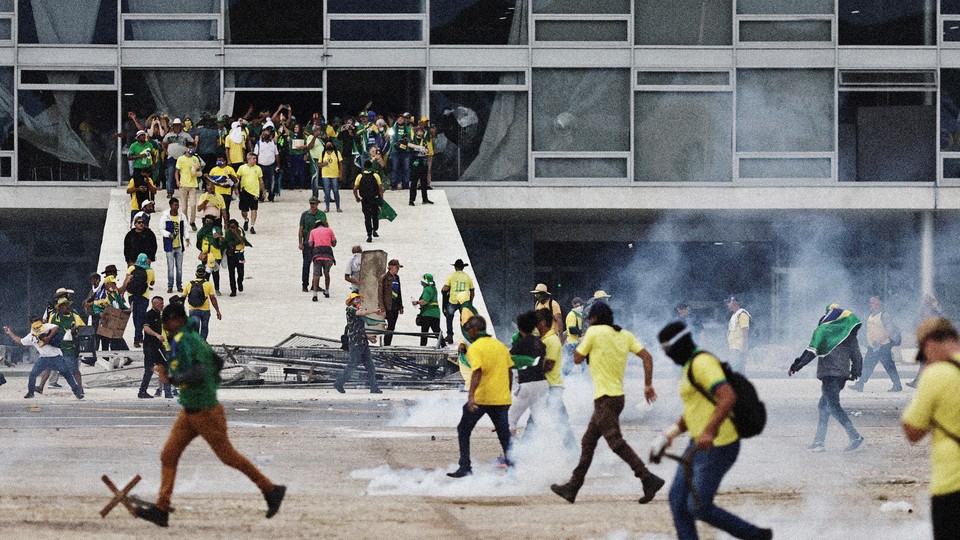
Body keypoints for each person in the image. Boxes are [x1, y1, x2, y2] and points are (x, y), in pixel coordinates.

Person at [134, 303, 285, 527]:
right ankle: (162, 509)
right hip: (190, 410)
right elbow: (216, 361)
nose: (166, 328)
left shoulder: (188, 340)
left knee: (228, 456)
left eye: (166, 323)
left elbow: (199, 371)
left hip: (205, 410)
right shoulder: (191, 339)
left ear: (175, 320)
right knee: (168, 454)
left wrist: (172, 379)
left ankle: (271, 490)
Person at [653, 321, 772, 540]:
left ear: (677, 346)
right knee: (678, 502)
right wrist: (667, 436)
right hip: (698, 444)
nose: (667, 356)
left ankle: (756, 536)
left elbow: (727, 396)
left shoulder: (702, 363)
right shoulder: (688, 367)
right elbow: (694, 411)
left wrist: (709, 431)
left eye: (667, 351)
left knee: (698, 506)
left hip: (719, 445)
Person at [550, 303, 664, 505]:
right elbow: (647, 357)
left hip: (605, 398)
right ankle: (573, 486)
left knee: (615, 441)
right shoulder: (624, 334)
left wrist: (588, 348)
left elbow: (577, 358)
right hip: (617, 397)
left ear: (594, 318)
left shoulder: (593, 332)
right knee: (588, 441)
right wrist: (648, 385)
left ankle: (647, 478)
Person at [902, 317, 960, 540]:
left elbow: (912, 431)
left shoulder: (936, 375)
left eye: (924, 355)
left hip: (952, 487)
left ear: (930, 345)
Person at [788, 304, 865, 453]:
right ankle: (819, 441)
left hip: (830, 374)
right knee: (823, 406)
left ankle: (855, 437)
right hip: (842, 375)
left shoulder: (824, 331)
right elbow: (857, 355)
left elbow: (810, 352)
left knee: (833, 406)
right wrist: (856, 371)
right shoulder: (848, 333)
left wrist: (796, 366)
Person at [447, 315, 514, 478]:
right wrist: (508, 392)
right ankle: (514, 469)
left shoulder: (476, 347)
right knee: (504, 435)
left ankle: (465, 467)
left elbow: (477, 371)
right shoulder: (500, 346)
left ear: (476, 329)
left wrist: (471, 397)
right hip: (501, 399)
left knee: (463, 429)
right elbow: (510, 371)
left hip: (483, 398)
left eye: (469, 328)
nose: (468, 331)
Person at [4, 316, 83, 399]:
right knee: (33, 374)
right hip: (44, 358)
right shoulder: (31, 335)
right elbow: (19, 341)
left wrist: (48, 337)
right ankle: (31, 392)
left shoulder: (46, 326)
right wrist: (9, 333)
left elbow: (56, 327)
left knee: (67, 374)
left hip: (56, 357)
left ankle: (77, 392)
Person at [538, 307, 578, 451]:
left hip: (552, 388)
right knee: (542, 421)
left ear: (543, 323)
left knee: (552, 421)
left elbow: (549, 365)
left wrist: (531, 370)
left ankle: (515, 457)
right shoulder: (546, 339)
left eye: (537, 322)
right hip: (549, 387)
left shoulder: (551, 340)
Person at [334, 292, 382, 394]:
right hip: (355, 344)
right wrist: (374, 311)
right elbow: (362, 313)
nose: (358, 301)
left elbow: (360, 329)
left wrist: (368, 338)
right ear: (351, 301)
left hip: (363, 343)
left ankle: (374, 387)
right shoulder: (350, 309)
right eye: (356, 299)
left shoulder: (358, 311)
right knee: (352, 365)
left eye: (359, 299)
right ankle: (339, 382)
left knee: (370, 366)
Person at [508, 311, 548, 436]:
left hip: (528, 385)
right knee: (540, 420)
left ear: (519, 328)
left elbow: (509, 361)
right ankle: (546, 449)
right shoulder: (540, 342)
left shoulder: (520, 344)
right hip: (543, 384)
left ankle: (511, 452)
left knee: (511, 420)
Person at [852, 295, 902, 392]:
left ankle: (897, 385)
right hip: (873, 346)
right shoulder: (871, 314)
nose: (871, 304)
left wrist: (879, 341)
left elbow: (889, 330)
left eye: (873, 302)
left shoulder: (884, 315)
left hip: (883, 346)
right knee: (867, 365)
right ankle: (860, 384)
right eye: (870, 302)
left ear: (878, 303)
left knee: (888, 365)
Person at [123, 253, 156, 348]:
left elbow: (126, 280)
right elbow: (152, 283)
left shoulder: (131, 268)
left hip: (132, 295)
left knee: (135, 316)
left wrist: (122, 293)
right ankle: (137, 337)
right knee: (141, 317)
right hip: (144, 296)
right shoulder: (150, 270)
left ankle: (138, 336)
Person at [182, 266, 222, 340]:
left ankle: (196, 344)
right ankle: (203, 343)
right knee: (204, 327)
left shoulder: (189, 284)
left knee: (194, 329)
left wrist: (181, 311)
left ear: (195, 274)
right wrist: (218, 311)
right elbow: (213, 299)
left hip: (193, 309)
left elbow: (183, 298)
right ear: (204, 274)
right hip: (205, 310)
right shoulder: (208, 284)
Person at [159, 197, 189, 293]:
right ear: (170, 205)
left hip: (179, 245)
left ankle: (179, 285)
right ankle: (170, 285)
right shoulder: (165, 217)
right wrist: (168, 234)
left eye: (177, 205)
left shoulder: (181, 216)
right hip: (169, 246)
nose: (177, 207)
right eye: (175, 205)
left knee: (179, 268)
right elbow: (161, 229)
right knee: (170, 268)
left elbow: (185, 227)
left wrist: (187, 237)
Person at [442, 259, 474, 345]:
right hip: (464, 301)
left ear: (455, 267)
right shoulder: (467, 277)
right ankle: (466, 337)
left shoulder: (451, 276)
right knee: (464, 319)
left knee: (449, 317)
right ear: (463, 267)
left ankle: (449, 335)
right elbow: (472, 292)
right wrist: (470, 303)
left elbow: (445, 288)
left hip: (453, 300)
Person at [299, 197, 327, 292]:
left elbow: (325, 227)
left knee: (318, 265)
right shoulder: (305, 215)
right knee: (306, 264)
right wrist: (300, 242)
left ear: (317, 204)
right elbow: (301, 229)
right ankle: (304, 284)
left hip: (318, 244)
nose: (312, 205)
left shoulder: (322, 214)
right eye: (311, 203)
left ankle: (315, 285)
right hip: (307, 243)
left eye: (314, 203)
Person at [139, 296, 165, 398]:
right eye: (160, 304)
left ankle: (166, 391)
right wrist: (157, 335)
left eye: (162, 303)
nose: (162, 305)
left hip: (158, 347)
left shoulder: (161, 315)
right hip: (149, 346)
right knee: (149, 370)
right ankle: (142, 391)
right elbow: (146, 328)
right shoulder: (148, 315)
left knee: (164, 366)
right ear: (154, 304)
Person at [163, 117, 194, 201]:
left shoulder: (186, 135)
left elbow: (192, 143)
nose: (176, 127)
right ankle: (170, 192)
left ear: (181, 126)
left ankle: (185, 190)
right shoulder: (168, 135)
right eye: (175, 126)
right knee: (170, 173)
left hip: (183, 158)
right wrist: (166, 151)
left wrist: (189, 152)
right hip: (171, 157)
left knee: (184, 174)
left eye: (178, 126)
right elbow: (164, 143)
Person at [175, 141, 204, 230]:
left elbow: (199, 170)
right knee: (184, 206)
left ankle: (192, 221)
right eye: (189, 147)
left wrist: (197, 173)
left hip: (193, 184)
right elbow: (177, 171)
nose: (191, 149)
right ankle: (185, 222)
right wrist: (177, 181)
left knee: (193, 205)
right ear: (186, 148)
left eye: (192, 147)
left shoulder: (195, 158)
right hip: (183, 184)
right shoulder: (181, 159)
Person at [353, 160, 384, 243]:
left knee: (367, 217)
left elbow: (355, 188)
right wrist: (381, 198)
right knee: (375, 215)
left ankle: (369, 235)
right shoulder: (375, 175)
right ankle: (375, 229)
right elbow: (380, 188)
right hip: (374, 198)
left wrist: (357, 197)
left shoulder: (360, 176)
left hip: (365, 199)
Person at [308, 219, 337, 301]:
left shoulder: (313, 231)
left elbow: (310, 244)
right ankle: (327, 291)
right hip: (328, 255)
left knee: (316, 275)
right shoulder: (329, 230)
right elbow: (334, 243)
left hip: (317, 255)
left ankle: (315, 294)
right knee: (327, 273)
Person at [236, 152, 265, 235]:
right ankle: (246, 219)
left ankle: (252, 226)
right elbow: (237, 179)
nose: (255, 160)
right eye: (253, 158)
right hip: (245, 191)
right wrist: (236, 190)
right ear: (248, 159)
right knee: (243, 210)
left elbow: (261, 180)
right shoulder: (242, 168)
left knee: (254, 209)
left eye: (255, 158)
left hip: (254, 192)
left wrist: (263, 191)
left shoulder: (258, 168)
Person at [377, 259, 404, 346]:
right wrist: (382, 308)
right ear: (391, 267)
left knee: (392, 327)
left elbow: (399, 292)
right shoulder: (384, 278)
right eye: (397, 267)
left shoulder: (397, 277)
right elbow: (380, 294)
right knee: (388, 327)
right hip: (387, 306)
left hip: (395, 305)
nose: (398, 269)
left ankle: (388, 344)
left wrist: (401, 306)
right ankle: (385, 344)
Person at [224, 219, 251, 297]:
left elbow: (242, 240)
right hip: (231, 254)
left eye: (233, 226)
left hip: (240, 253)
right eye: (230, 226)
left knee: (241, 271)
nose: (232, 228)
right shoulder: (227, 232)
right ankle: (233, 290)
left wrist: (235, 233)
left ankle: (240, 282)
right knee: (231, 273)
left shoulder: (240, 230)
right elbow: (226, 241)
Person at [413, 273, 441, 346]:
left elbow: (424, 301)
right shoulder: (434, 288)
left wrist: (417, 302)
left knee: (424, 333)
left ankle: (423, 347)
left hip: (427, 314)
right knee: (437, 331)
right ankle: (443, 345)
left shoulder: (427, 289)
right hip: (436, 314)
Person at [725, 296, 750, 374]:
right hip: (734, 346)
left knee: (736, 367)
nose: (728, 304)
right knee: (738, 368)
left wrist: (744, 345)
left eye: (729, 302)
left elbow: (745, 330)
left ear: (735, 303)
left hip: (739, 347)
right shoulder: (735, 315)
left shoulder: (742, 314)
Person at [255, 129, 280, 202]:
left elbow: (277, 155)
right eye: (264, 134)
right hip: (261, 165)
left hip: (271, 165)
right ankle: (261, 197)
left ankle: (271, 197)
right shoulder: (258, 144)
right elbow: (256, 155)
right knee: (260, 182)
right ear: (262, 135)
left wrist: (278, 165)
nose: (266, 136)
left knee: (272, 181)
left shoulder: (273, 144)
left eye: (267, 134)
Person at [319, 139, 343, 213]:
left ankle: (338, 207)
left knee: (336, 191)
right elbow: (319, 165)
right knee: (326, 192)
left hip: (334, 174)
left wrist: (340, 173)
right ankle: (327, 207)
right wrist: (323, 164)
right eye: (327, 145)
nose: (329, 146)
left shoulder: (336, 152)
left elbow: (341, 163)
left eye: (330, 144)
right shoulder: (323, 153)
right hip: (325, 175)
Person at [562, 297, 584, 376]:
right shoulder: (572, 315)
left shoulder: (578, 315)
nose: (580, 307)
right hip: (572, 343)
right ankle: (561, 378)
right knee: (569, 364)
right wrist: (580, 335)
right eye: (578, 305)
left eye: (581, 305)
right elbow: (572, 330)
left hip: (576, 343)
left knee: (583, 362)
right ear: (573, 305)